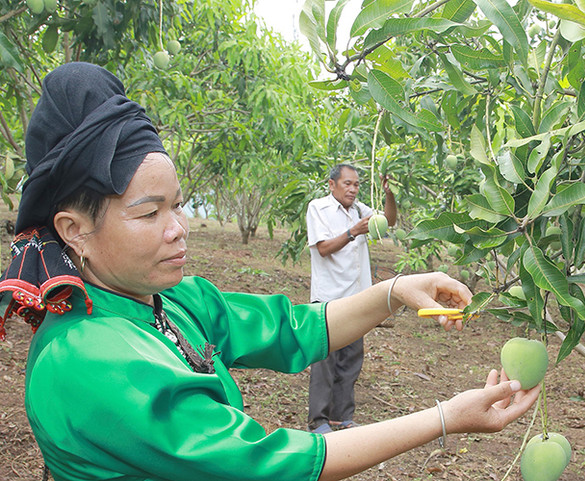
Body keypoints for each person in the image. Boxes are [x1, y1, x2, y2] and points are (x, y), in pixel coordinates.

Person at [0, 62, 540, 481]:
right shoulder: (85, 358)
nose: (178, 228)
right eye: (149, 212)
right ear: (73, 229)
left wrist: (395, 290)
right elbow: (266, 461)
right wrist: (446, 418)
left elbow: (293, 327)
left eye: (179, 205)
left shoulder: (173, 300)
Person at [305, 164, 396, 434]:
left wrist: (389, 194)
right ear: (332, 185)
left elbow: (388, 221)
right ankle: (318, 420)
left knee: (351, 360)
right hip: (328, 299)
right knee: (325, 361)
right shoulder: (318, 208)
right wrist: (353, 232)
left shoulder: (359, 210)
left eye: (356, 184)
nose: (353, 189)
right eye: (347, 184)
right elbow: (323, 249)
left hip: (357, 299)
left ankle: (341, 417)